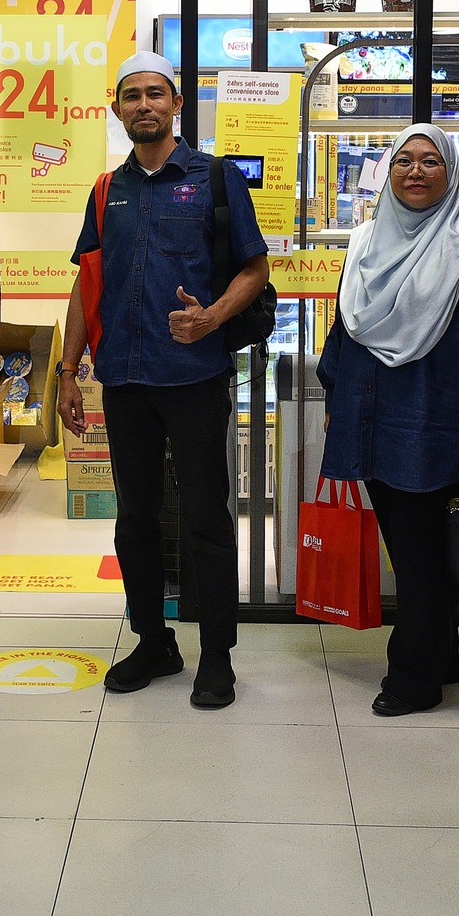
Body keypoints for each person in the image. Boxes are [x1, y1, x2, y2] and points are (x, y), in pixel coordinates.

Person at [57, 51, 270, 710]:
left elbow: (255, 270)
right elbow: (86, 281)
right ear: (117, 108)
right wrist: (67, 371)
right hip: (125, 379)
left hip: (196, 377)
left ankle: (216, 654)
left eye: (156, 94)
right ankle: (154, 641)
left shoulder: (215, 179)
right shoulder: (106, 190)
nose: (144, 104)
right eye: (132, 96)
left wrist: (212, 318)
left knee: (206, 517)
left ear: (177, 104)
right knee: (135, 521)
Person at [317, 124, 459, 716]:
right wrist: (337, 400)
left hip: (441, 416)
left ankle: (413, 677)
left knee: (421, 554)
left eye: (431, 161)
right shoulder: (365, 240)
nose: (416, 171)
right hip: (373, 411)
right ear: (388, 172)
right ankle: (440, 657)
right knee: (418, 547)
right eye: (404, 161)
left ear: (451, 172)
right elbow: (346, 329)